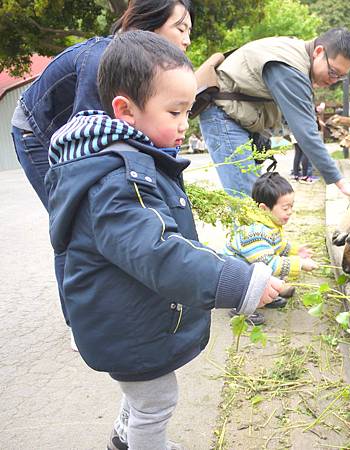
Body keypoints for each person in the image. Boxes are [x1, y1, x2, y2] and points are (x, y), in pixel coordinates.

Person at [45, 31, 283, 450]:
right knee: (156, 402)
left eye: (188, 111)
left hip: (121, 313)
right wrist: (238, 282)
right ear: (126, 111)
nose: (184, 124)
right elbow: (159, 252)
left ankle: (125, 438)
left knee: (140, 396)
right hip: (124, 324)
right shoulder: (117, 181)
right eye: (174, 111)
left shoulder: (119, 161)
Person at [10, 0, 194, 336]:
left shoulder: (148, 70)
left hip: (73, 130)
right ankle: (81, 323)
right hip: (37, 132)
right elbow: (89, 144)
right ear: (148, 22)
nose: (187, 40)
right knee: (74, 219)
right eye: (180, 28)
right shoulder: (104, 60)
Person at [199, 28, 350, 202]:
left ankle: (262, 232)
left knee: (258, 199)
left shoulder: (297, 56)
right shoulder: (290, 68)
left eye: (340, 77)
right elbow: (306, 132)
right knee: (248, 204)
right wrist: (341, 183)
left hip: (240, 118)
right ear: (318, 52)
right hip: (223, 116)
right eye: (333, 72)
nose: (333, 81)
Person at [225, 172, 318, 324]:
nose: (290, 212)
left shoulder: (270, 224)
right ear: (264, 208)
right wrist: (299, 264)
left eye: (291, 207)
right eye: (285, 208)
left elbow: (277, 245)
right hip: (234, 278)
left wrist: (295, 251)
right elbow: (268, 263)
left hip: (252, 268)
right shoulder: (254, 232)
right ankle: (242, 308)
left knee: (272, 272)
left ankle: (264, 296)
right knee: (268, 272)